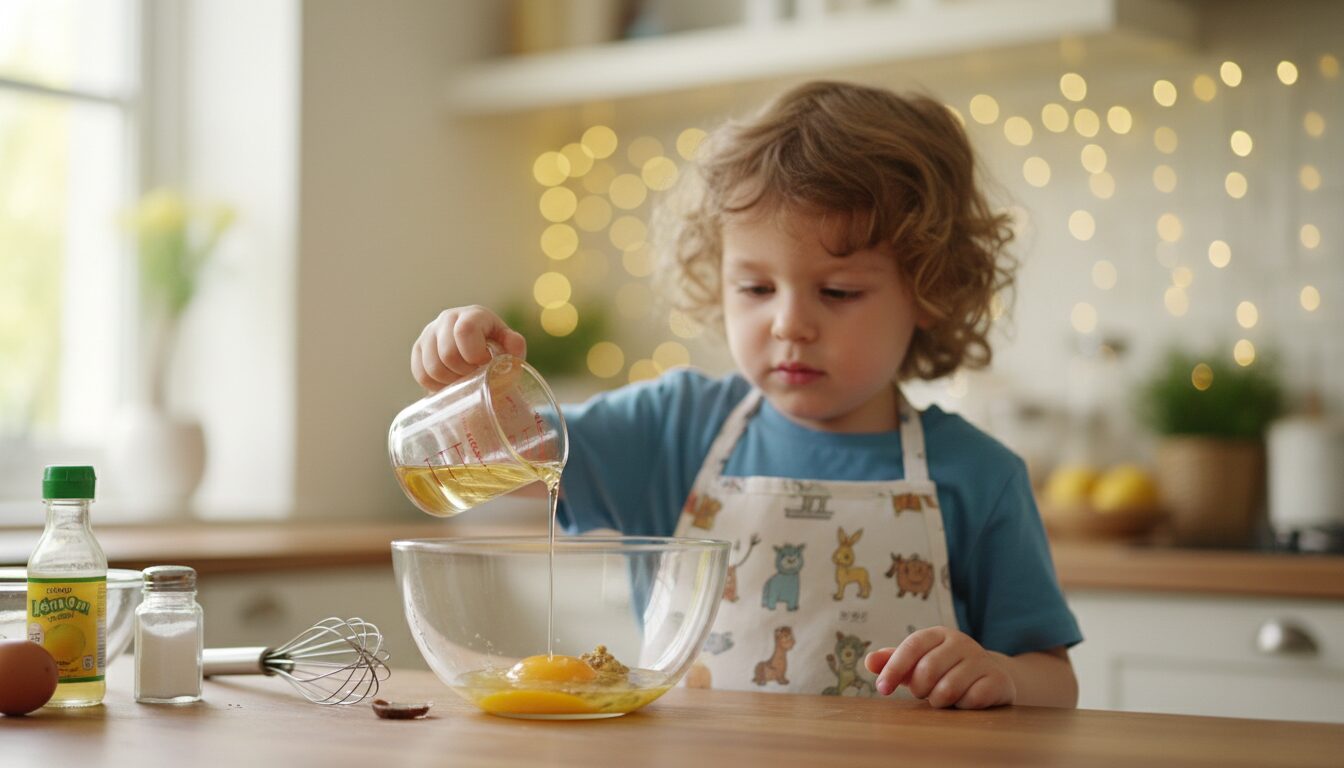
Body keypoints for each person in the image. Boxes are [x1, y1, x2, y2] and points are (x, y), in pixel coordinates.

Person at [410, 81, 1081, 708]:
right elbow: (518, 458)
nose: (789, 323)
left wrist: (1006, 675)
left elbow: (1055, 681)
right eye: (756, 289)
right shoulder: (671, 427)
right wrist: (476, 381)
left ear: (929, 291)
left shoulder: (982, 477)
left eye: (839, 292)